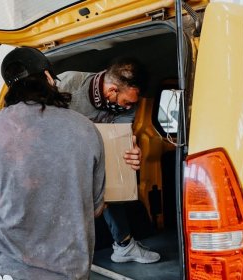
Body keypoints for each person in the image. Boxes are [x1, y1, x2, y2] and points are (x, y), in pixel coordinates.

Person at [0, 47, 106, 280]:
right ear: (49, 78)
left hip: (5, 272)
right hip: (70, 272)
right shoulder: (86, 129)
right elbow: (97, 206)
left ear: (11, 87)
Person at [56, 57, 161, 264]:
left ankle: (124, 246)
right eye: (127, 102)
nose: (130, 107)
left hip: (94, 155)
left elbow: (120, 137)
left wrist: (131, 151)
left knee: (112, 177)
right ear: (112, 91)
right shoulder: (67, 85)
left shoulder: (128, 104)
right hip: (59, 154)